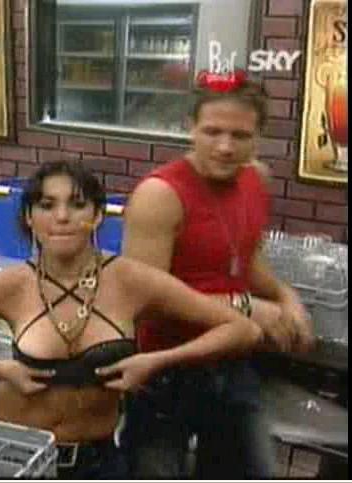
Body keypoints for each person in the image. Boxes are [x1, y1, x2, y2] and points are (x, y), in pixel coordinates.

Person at [0, 161, 263, 479]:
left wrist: (155, 361)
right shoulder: (10, 286)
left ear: (98, 215)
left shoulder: (130, 280)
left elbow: (242, 330)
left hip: (96, 461)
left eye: (77, 204)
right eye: (47, 205)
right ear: (29, 217)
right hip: (14, 453)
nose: (62, 217)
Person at [121, 72, 315, 478]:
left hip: (233, 361)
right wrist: (243, 307)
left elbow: (246, 260)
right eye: (212, 132)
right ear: (190, 127)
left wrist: (286, 297)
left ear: (258, 137)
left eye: (240, 135)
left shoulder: (255, 179)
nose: (225, 147)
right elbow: (143, 304)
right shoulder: (160, 195)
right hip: (165, 370)